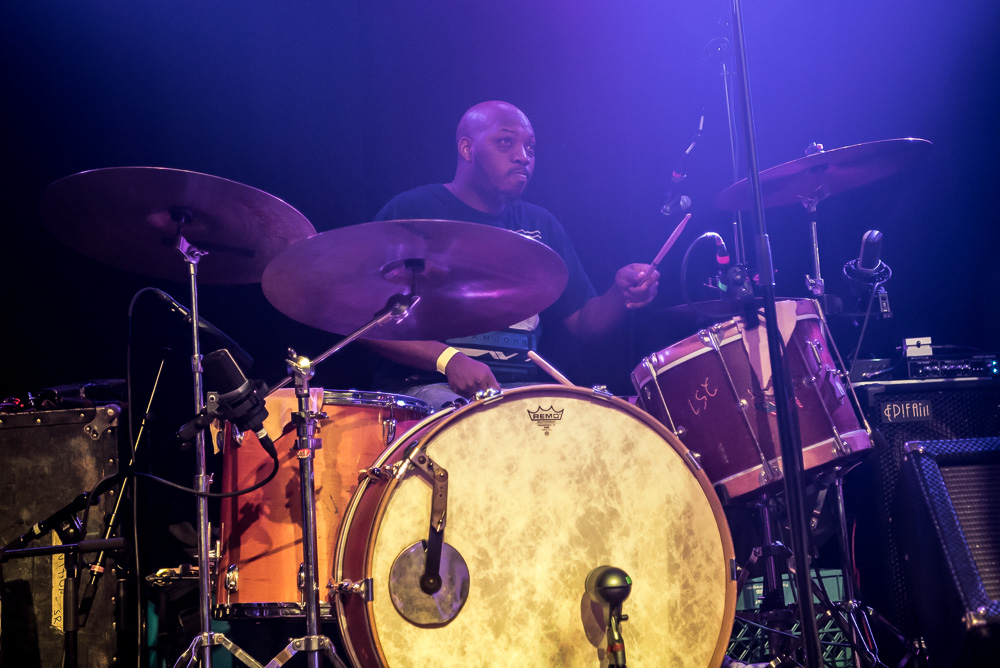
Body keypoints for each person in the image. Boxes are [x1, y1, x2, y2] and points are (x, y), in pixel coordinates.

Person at [366, 100, 659, 408]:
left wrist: (620, 293)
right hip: (430, 388)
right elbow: (363, 323)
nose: (522, 157)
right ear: (467, 149)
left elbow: (584, 324)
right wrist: (448, 359)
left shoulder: (540, 224)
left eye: (530, 148)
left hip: (519, 392)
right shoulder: (414, 212)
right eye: (505, 142)